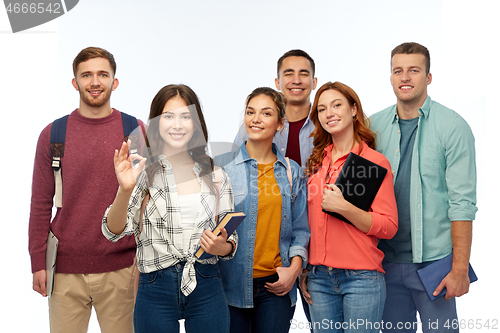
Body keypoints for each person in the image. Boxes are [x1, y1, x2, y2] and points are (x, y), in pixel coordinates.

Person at [102, 84, 237, 333]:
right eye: (168, 116)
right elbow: (113, 232)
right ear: (156, 123)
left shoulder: (216, 175)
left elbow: (231, 239)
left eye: (186, 116)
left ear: (196, 123)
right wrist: (124, 189)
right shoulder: (142, 173)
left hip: (206, 283)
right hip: (155, 286)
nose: (177, 124)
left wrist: (222, 246)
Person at [29, 47, 142, 333]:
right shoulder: (54, 135)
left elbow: (147, 202)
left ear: (114, 82)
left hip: (123, 270)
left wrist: (146, 264)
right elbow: (40, 203)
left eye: (103, 74)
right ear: (74, 82)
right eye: (87, 75)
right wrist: (37, 261)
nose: (95, 82)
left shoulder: (134, 130)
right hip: (65, 270)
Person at [370, 42, 477, 333]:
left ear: (428, 77)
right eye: (398, 71)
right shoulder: (372, 127)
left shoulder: (453, 127)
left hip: (435, 265)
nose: (405, 77)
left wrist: (459, 268)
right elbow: (357, 197)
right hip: (385, 263)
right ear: (391, 77)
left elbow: (462, 203)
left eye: (414, 70)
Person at [300, 81, 398, 333]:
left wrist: (345, 208)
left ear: (354, 110)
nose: (329, 113)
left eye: (336, 105)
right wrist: (305, 268)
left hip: (361, 278)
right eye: (321, 109)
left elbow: (388, 226)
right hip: (319, 278)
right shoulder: (316, 163)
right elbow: (306, 224)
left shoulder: (372, 162)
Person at [215, 87, 310, 333]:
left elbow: (301, 229)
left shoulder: (292, 171)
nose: (255, 119)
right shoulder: (221, 168)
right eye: (250, 112)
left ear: (280, 123)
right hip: (229, 285)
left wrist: (294, 270)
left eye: (266, 113)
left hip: (276, 287)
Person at [234, 49, 317, 168]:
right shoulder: (254, 126)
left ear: (314, 82)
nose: (296, 81)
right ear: (277, 83)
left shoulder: (326, 124)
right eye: (289, 74)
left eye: (304, 74)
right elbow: (232, 171)